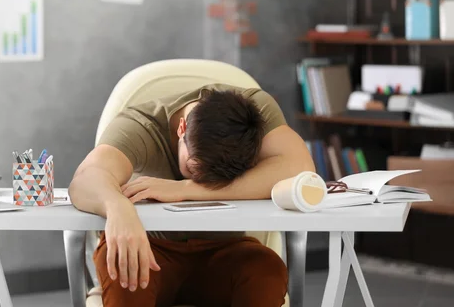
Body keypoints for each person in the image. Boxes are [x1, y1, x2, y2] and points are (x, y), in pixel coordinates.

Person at [69, 83, 315, 307]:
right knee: (124, 266)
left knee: (265, 270)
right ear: (181, 128)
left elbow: (300, 166)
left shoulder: (254, 114)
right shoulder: (139, 126)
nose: (202, 180)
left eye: (219, 179)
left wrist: (185, 189)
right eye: (194, 169)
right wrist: (118, 208)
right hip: (151, 251)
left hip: (225, 251)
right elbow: (85, 178)